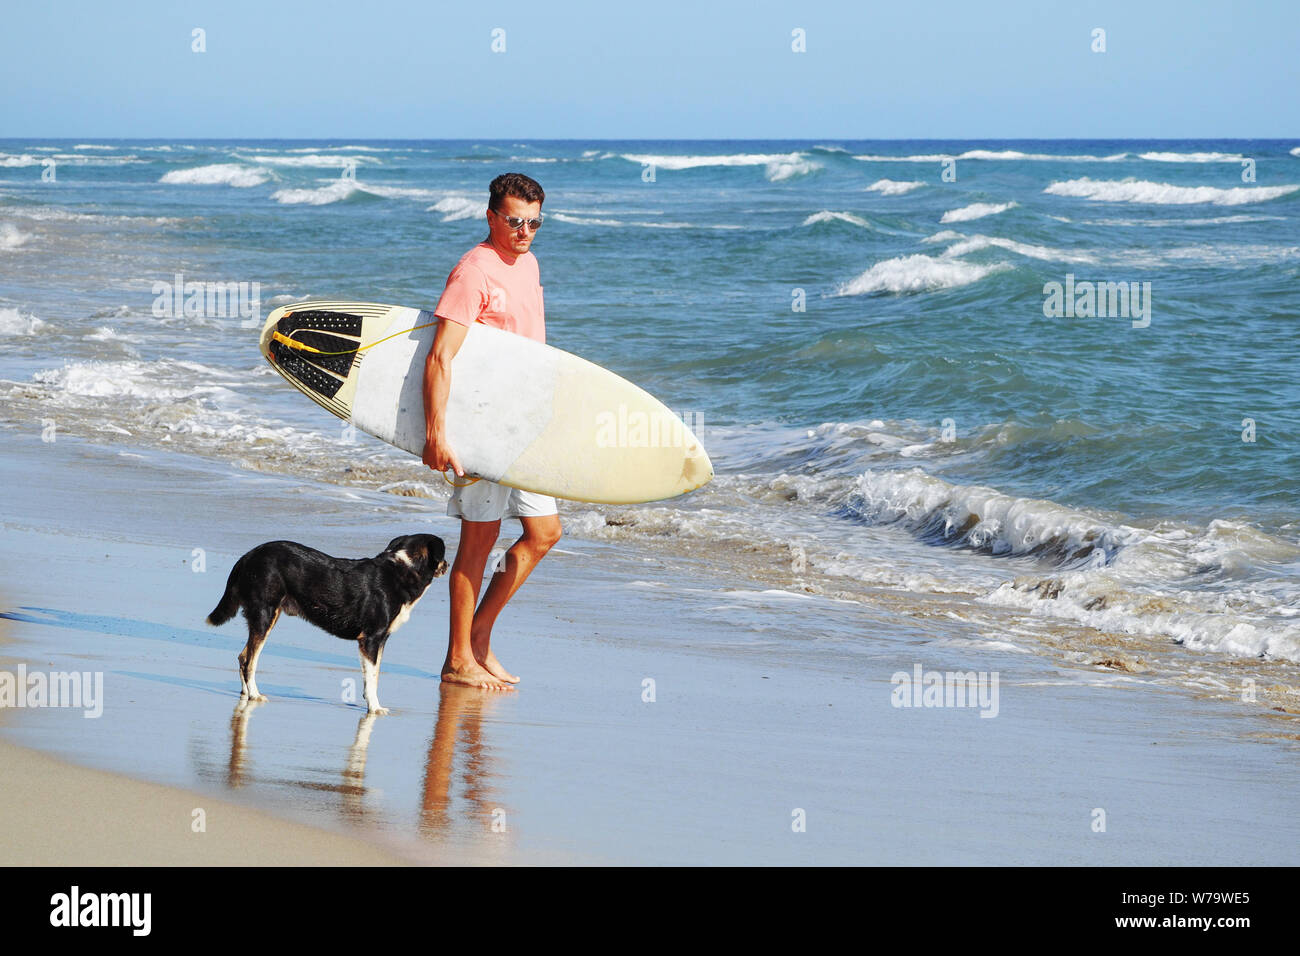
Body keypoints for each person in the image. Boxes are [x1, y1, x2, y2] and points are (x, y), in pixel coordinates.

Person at [422, 173, 561, 691]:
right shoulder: (473, 272)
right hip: (480, 426)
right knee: (478, 541)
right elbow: (440, 356)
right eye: (514, 221)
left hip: (522, 424)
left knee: (544, 532)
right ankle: (458, 659)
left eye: (534, 222)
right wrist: (437, 432)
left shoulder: (529, 263)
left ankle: (478, 638)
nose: (525, 231)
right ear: (490, 217)